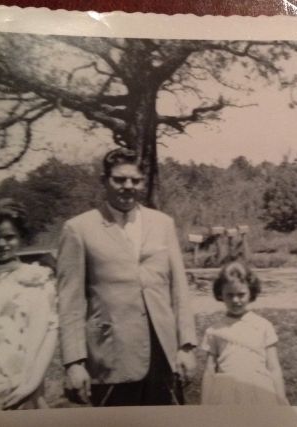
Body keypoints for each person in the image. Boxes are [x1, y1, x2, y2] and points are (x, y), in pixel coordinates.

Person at [57, 147, 197, 406]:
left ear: (143, 182)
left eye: (135, 180)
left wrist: (186, 345)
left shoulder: (163, 223)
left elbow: (179, 289)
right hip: (112, 356)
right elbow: (70, 303)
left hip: (163, 354)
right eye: (119, 179)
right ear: (104, 181)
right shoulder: (79, 229)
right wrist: (74, 362)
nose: (128, 186)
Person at [0, 199, 58, 411]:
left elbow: (49, 334)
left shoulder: (37, 278)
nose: (1, 244)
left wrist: (31, 384)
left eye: (9, 237)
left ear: (21, 237)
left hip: (23, 387)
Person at [200, 261, 288, 405]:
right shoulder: (214, 331)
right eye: (229, 295)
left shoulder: (263, 326)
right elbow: (209, 371)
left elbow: (274, 367)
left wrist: (281, 399)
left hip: (259, 390)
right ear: (220, 294)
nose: (235, 300)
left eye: (241, 294)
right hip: (225, 392)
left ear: (251, 293)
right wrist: (204, 404)